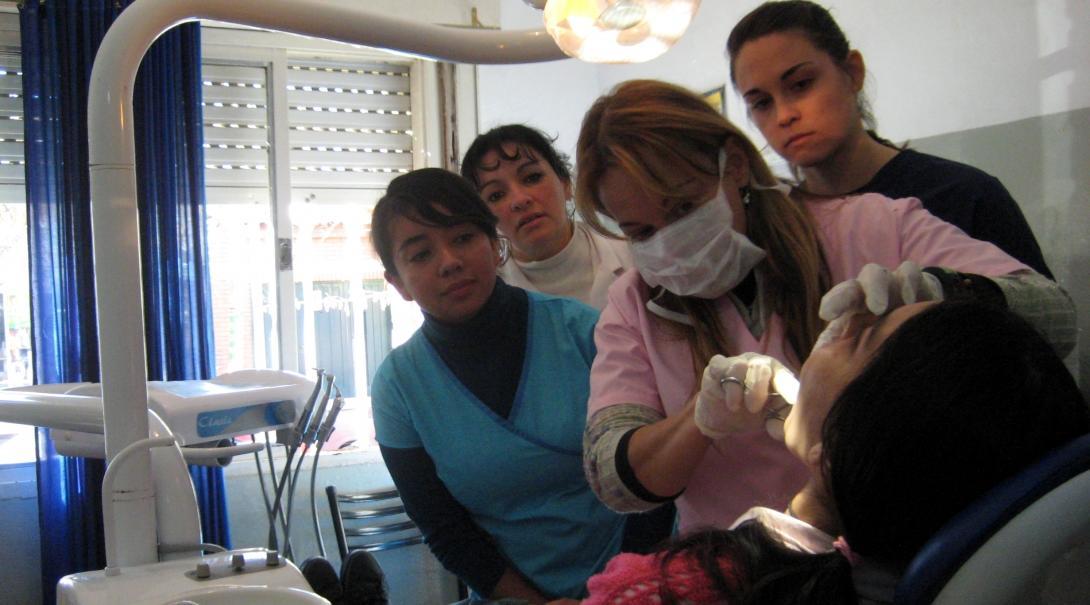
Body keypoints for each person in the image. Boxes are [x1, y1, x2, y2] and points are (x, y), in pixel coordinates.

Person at [574, 79, 1074, 533]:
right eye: (640, 232)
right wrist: (699, 418)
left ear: (737, 165)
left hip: (906, 540)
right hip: (757, 572)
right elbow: (613, 480)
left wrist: (948, 296)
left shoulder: (871, 227)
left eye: (683, 207)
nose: (670, 242)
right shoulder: (634, 304)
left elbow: (1057, 319)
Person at [549, 301, 1090, 604]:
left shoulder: (676, 592)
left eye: (858, 338)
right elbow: (614, 472)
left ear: (849, 444)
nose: (837, 324)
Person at [369, 168, 625, 603]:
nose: (449, 261)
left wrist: (621, 589)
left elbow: (652, 476)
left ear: (494, 244)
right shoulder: (398, 386)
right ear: (397, 283)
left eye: (464, 237)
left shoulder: (582, 332)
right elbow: (443, 527)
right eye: (420, 254)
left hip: (636, 580)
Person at [725, 0, 1053, 278]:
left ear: (852, 72)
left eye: (801, 84)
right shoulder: (779, 227)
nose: (784, 115)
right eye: (761, 103)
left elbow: (1046, 332)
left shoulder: (963, 195)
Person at [461, 124, 633, 310]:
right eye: (496, 195)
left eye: (532, 177)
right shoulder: (485, 295)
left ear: (565, 183)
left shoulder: (633, 256)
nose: (520, 200)